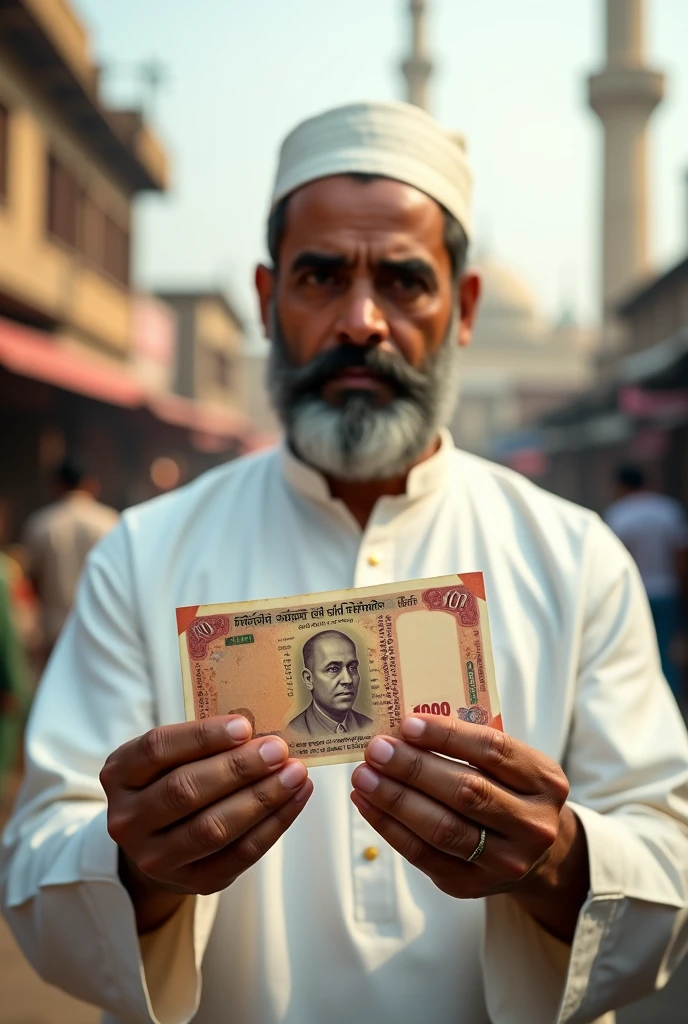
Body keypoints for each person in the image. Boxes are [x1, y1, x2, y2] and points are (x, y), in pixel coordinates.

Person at [1, 101, 687, 1024]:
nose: (361, 322)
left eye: (404, 282)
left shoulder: (574, 556)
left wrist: (560, 857)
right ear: (266, 297)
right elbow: (39, 868)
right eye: (321, 276)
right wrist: (136, 867)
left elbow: (669, 866)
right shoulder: (147, 553)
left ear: (465, 306)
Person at [606, 463, 688, 697]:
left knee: (636, 650)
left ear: (621, 485)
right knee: (666, 649)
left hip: (635, 594)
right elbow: (681, 556)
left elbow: (616, 558)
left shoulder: (619, 513)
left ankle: (644, 700)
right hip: (667, 590)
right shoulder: (668, 509)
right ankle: (670, 698)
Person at [22, 459, 119, 656]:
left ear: (57, 486)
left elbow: (32, 581)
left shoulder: (40, 525)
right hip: (100, 630)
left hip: (54, 633)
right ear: (91, 484)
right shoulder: (109, 522)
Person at [286, 629, 373, 736]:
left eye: (352, 667)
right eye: (333, 669)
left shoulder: (370, 726)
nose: (348, 680)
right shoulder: (293, 733)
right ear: (309, 679)